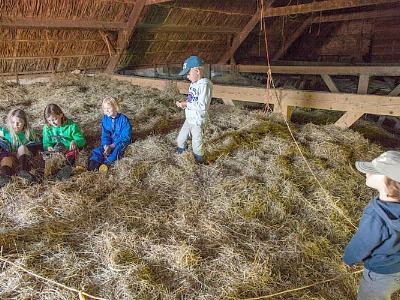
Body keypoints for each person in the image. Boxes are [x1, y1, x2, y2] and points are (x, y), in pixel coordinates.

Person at [343, 150, 400, 299]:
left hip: (381, 271)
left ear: (389, 187)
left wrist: (349, 258)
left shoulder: (376, 217)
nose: (367, 172)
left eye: (374, 171)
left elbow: (362, 242)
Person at [176, 56, 213, 164]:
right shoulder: (194, 84)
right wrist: (184, 105)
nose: (187, 76)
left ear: (197, 71)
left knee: (197, 143)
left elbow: (202, 105)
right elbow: (193, 100)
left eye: (188, 73)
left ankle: (199, 161)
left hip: (198, 120)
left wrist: (186, 104)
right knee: (180, 139)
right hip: (189, 118)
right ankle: (183, 156)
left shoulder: (205, 85)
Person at [87, 96, 132, 172]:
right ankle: (93, 164)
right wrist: (105, 146)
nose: (106, 110)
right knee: (98, 151)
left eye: (109, 108)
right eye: (105, 108)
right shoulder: (105, 119)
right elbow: (105, 135)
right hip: (110, 141)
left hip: (120, 142)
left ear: (116, 107)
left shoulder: (123, 119)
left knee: (116, 151)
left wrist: (112, 146)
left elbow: (125, 136)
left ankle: (106, 164)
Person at [42, 104, 86, 180]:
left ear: (61, 115)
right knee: (45, 157)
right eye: (49, 120)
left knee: (72, 155)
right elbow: (46, 141)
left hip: (68, 149)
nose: (53, 123)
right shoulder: (47, 128)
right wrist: (48, 146)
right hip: (55, 151)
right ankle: (46, 174)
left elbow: (82, 140)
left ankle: (66, 169)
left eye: (54, 119)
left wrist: (75, 142)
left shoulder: (71, 126)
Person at [0, 108, 41, 186]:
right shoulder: (5, 131)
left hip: (24, 157)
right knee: (6, 158)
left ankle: (23, 171)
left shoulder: (29, 132)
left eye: (19, 122)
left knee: (22, 147)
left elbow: (37, 143)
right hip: (11, 156)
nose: (16, 125)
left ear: (24, 122)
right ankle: (5, 177)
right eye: (13, 122)